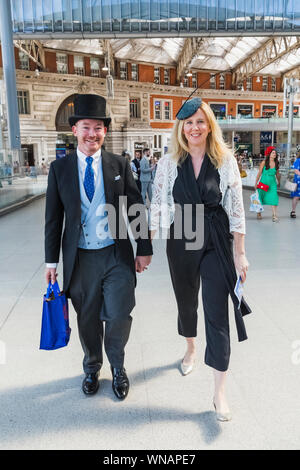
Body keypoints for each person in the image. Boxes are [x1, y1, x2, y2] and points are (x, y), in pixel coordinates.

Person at [44, 94, 152, 400]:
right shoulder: (60, 169)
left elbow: (135, 207)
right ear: (75, 129)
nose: (93, 133)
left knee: (119, 314)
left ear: (105, 131)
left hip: (116, 255)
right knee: (87, 318)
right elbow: (53, 220)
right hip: (80, 259)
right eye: (86, 127)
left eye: (98, 128)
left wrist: (144, 248)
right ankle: (92, 367)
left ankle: (118, 367)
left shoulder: (119, 164)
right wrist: (51, 263)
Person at [150, 97, 251, 422]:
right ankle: (191, 347)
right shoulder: (167, 164)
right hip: (182, 237)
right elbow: (159, 204)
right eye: (188, 122)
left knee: (217, 313)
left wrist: (240, 253)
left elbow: (236, 207)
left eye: (200, 121)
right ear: (181, 127)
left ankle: (219, 392)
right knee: (186, 302)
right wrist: (145, 243)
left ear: (209, 125)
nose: (194, 127)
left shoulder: (225, 160)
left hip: (215, 240)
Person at [255, 146, 280, 222]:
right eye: (273, 153)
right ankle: (259, 212)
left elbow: (277, 174)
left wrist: (279, 181)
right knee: (260, 197)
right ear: (269, 154)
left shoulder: (276, 163)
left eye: (275, 153)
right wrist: (256, 183)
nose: (274, 154)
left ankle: (274, 215)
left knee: (274, 198)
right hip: (263, 183)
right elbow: (259, 173)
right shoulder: (263, 162)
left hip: (272, 184)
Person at [290, 152, 300, 218]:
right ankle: (293, 211)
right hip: (298, 181)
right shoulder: (298, 160)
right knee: (296, 196)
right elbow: (296, 170)